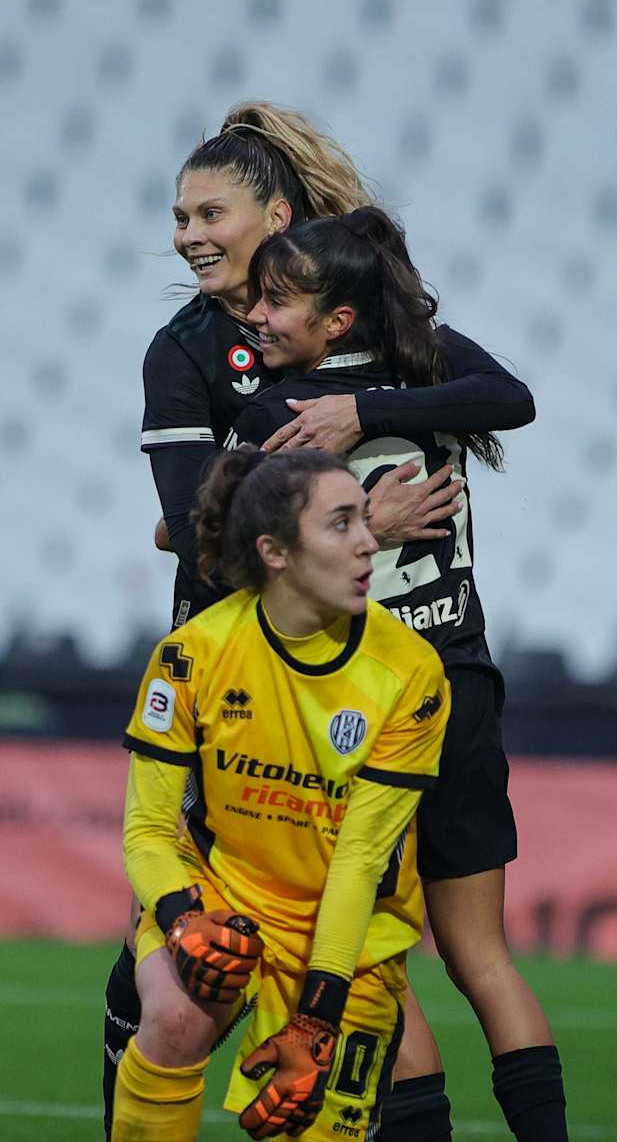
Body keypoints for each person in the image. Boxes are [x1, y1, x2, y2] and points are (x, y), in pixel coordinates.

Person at [105, 99, 538, 1140]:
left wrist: (358, 424)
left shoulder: (352, 331)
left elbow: (506, 396)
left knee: (286, 980)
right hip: (270, 677)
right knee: (179, 989)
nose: (188, 235)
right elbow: (197, 526)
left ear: (279, 215)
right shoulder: (194, 348)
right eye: (179, 216)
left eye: (211, 211)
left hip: (338, 689)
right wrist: (364, 515)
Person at [221, 206, 570, 1142]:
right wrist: (379, 417)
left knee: (382, 964)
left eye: (275, 298)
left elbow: (227, 551)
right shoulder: (434, 376)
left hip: (354, 710)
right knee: (483, 956)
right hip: (458, 680)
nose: (255, 314)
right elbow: (516, 399)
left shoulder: (274, 418)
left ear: (336, 320)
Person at [112, 446, 451, 1142]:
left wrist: (317, 1016)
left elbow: (360, 859)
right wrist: (181, 919)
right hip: (223, 896)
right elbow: (147, 831)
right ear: (275, 551)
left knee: (308, 1123)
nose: (367, 543)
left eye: (364, 521)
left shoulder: (412, 673)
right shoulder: (192, 654)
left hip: (345, 939)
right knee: (174, 1018)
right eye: (341, 524)